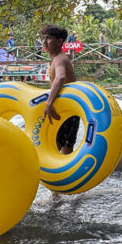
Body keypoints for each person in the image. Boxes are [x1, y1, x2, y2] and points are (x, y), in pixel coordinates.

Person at [41, 24, 79, 155]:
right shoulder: (58, 59)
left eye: (49, 38)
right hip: (70, 110)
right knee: (66, 150)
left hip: (65, 110)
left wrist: (49, 103)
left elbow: (60, 77)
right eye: (44, 38)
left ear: (59, 41)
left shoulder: (60, 59)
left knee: (53, 150)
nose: (44, 42)